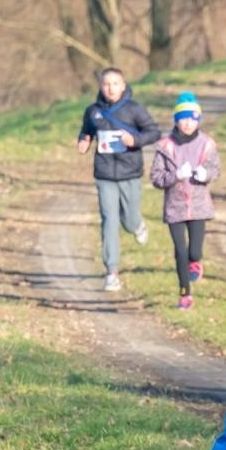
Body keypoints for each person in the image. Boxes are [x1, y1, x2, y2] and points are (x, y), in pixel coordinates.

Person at [77, 67, 162, 291]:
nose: (110, 88)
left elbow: (154, 132)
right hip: (104, 174)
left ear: (123, 86)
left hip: (129, 173)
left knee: (129, 219)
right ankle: (112, 271)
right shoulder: (92, 111)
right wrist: (84, 141)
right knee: (109, 220)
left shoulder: (134, 109)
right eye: (106, 84)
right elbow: (87, 131)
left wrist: (134, 140)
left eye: (115, 83)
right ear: (100, 87)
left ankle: (137, 225)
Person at [150, 92, 221, 310]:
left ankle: (196, 263)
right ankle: (184, 294)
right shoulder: (165, 147)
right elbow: (156, 177)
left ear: (198, 119)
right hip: (175, 208)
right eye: (183, 118)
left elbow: (215, 169)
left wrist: (204, 174)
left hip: (199, 207)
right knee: (180, 251)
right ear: (176, 120)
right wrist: (176, 175)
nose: (188, 123)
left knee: (194, 252)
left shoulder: (207, 144)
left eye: (192, 118)